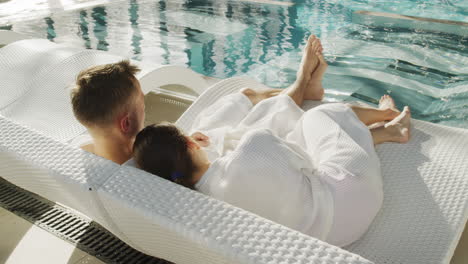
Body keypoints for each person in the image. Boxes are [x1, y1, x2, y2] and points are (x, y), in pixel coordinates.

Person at [132, 35, 411, 247]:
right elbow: (306, 159)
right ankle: (386, 120)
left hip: (323, 238)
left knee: (297, 136)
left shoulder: (201, 205)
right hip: (352, 201)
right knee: (320, 116)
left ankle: (375, 132)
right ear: (191, 144)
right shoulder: (254, 146)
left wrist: (219, 144)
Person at [70, 60, 146, 164]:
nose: (144, 107)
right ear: (126, 123)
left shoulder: (76, 149)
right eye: (142, 102)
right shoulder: (148, 170)